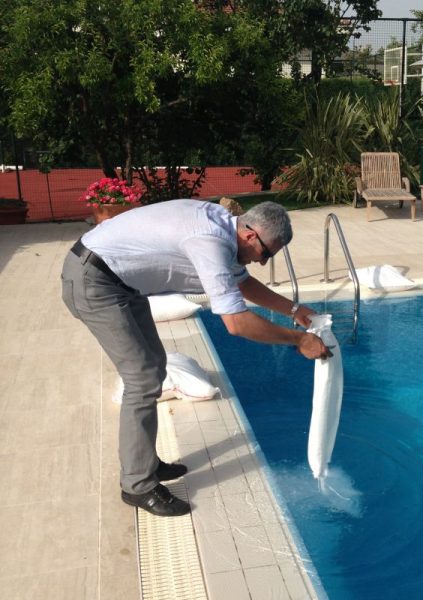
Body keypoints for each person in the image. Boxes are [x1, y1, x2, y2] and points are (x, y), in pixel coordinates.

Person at [61, 200, 330, 517]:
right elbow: (236, 323)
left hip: (120, 282)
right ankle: (137, 485)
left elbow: (242, 282)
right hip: (94, 282)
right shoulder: (210, 242)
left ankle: (144, 462)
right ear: (250, 235)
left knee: (154, 369)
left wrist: (294, 310)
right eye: (266, 254)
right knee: (142, 380)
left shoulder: (226, 228)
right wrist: (299, 340)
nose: (261, 262)